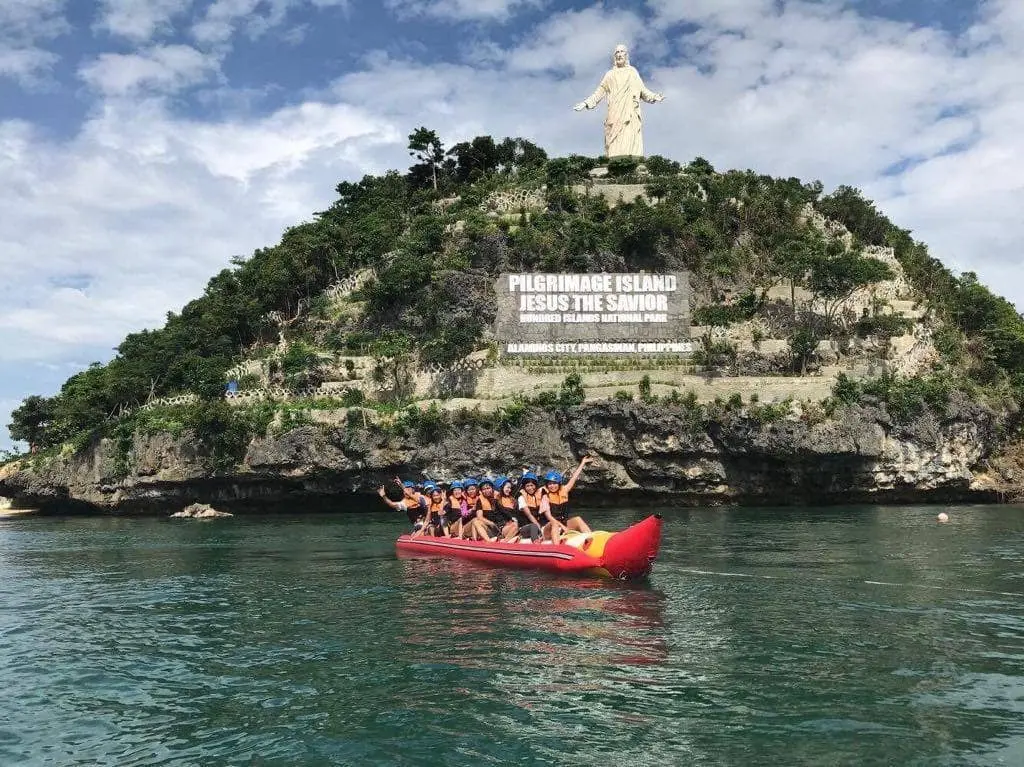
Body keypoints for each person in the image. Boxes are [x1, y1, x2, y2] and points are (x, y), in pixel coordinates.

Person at [573, 44, 664, 158]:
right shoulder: (610, 75)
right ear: (614, 56)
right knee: (614, 137)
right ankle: (615, 160)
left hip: (630, 112)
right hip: (615, 111)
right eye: (617, 52)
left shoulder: (632, 72)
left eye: (622, 52)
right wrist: (585, 103)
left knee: (629, 134)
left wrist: (654, 96)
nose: (619, 54)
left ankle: (631, 159)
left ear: (626, 55)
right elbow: (599, 92)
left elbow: (642, 90)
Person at [540, 456, 594, 543]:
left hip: (563, 524)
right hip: (548, 528)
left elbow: (574, 478)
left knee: (578, 519)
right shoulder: (545, 497)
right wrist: (563, 527)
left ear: (559, 484)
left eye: (554, 483)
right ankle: (556, 550)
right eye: (550, 484)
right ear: (547, 485)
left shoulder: (564, 490)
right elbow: (549, 517)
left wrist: (583, 463)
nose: (552, 486)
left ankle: (591, 541)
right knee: (554, 524)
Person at [516, 471, 547, 542]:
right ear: (524, 487)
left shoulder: (541, 494)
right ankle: (536, 543)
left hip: (540, 523)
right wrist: (539, 527)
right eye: (527, 486)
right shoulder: (521, 498)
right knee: (534, 526)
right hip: (526, 527)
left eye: (532, 485)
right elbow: (529, 515)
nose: (530, 488)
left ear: (535, 485)